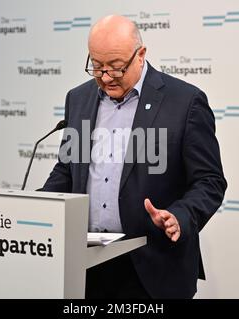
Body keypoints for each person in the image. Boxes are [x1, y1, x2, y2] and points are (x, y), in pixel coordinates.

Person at [41, 15, 227, 299]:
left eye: (116, 68)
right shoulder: (78, 98)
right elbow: (68, 169)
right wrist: (37, 207)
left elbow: (209, 181)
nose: (104, 77)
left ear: (140, 55)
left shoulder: (185, 102)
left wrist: (181, 215)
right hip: (87, 264)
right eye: (97, 66)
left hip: (154, 265)